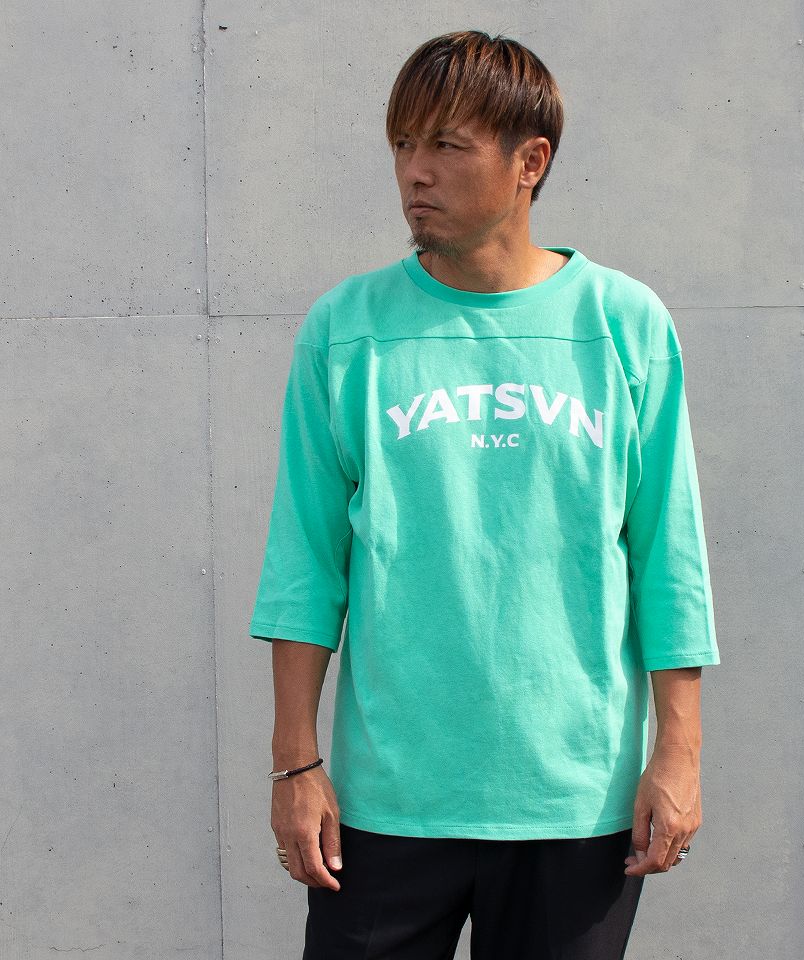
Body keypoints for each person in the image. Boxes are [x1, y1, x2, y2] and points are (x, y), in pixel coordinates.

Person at [249, 29, 720, 960]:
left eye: (446, 145)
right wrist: (294, 763)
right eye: (402, 145)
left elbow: (668, 556)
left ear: (529, 162)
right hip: (389, 801)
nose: (414, 173)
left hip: (574, 796)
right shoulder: (348, 329)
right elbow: (305, 562)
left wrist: (679, 753)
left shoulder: (623, 326)